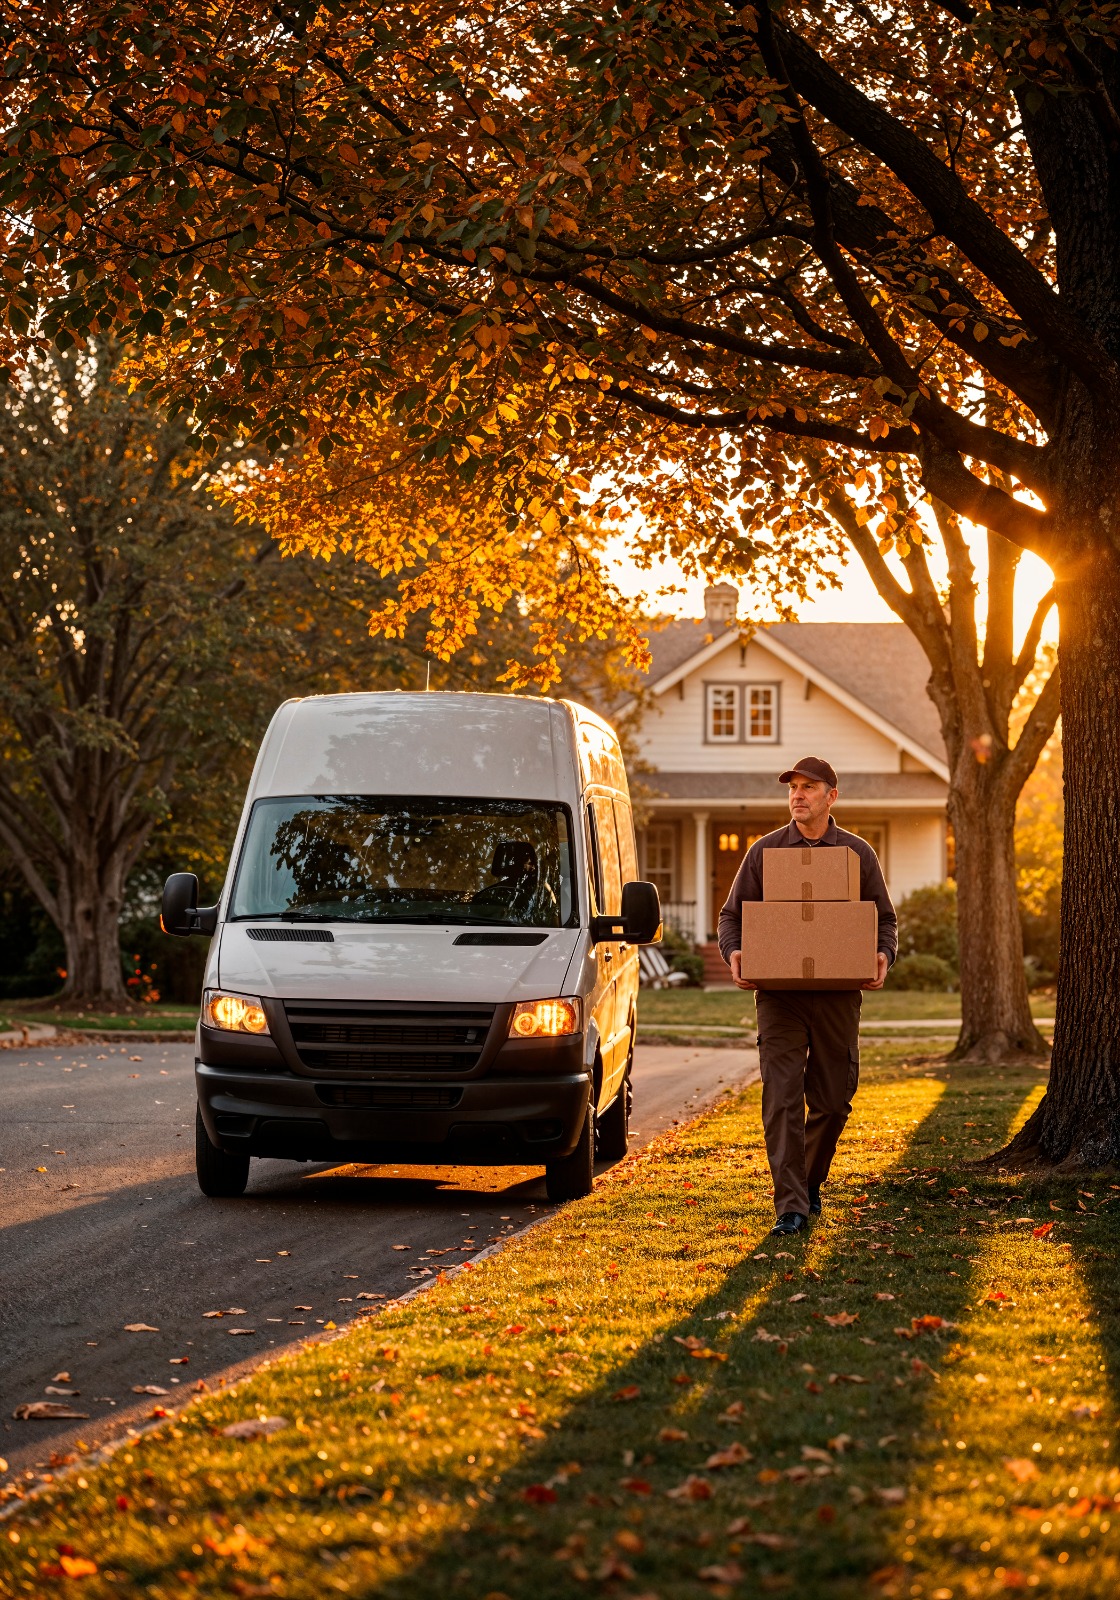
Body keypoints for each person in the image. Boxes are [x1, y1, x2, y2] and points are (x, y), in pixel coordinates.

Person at [717, 757, 897, 1237]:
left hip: (838, 994)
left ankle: (810, 1181)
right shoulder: (764, 852)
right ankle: (791, 1207)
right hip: (779, 997)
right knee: (781, 1099)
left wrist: (882, 954)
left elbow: (885, 920)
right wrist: (734, 952)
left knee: (834, 1101)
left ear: (831, 796)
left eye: (809, 787)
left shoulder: (858, 854)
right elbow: (730, 917)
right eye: (793, 787)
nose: (798, 795)